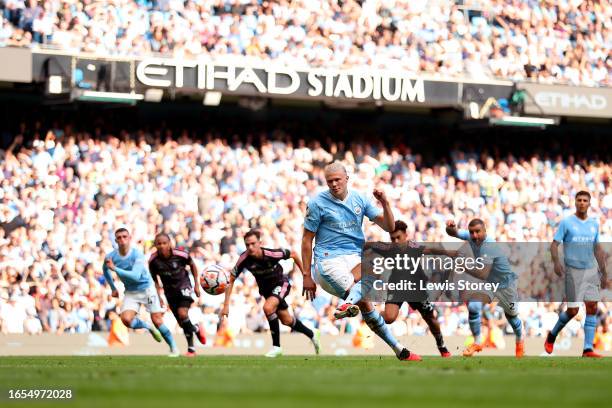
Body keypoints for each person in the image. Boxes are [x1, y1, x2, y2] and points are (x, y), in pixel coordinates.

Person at [301, 161, 421, 361]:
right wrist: (306, 274)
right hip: (328, 261)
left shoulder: (359, 199)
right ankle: (347, 305)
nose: (334, 184)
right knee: (365, 297)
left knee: (369, 292)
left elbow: (389, 227)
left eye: (337, 180)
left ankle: (400, 351)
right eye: (329, 181)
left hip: (355, 259)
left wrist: (385, 203)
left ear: (347, 178)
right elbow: (306, 240)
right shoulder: (317, 203)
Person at [221, 229, 320, 358]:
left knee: (267, 307)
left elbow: (294, 255)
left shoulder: (270, 254)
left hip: (281, 284)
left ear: (259, 243)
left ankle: (276, 347)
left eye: (253, 244)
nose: (250, 247)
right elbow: (231, 278)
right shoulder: (244, 259)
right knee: (287, 320)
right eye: (247, 245)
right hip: (267, 292)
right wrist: (226, 305)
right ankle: (312, 334)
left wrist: (306, 277)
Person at [446, 219, 525, 358]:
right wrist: (450, 227)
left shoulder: (489, 246)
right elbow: (453, 233)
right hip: (488, 283)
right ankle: (477, 342)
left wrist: (462, 265)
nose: (474, 235)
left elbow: (482, 273)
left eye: (478, 232)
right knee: (474, 307)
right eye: (472, 232)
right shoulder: (471, 236)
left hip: (506, 285)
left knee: (512, 318)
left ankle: (520, 340)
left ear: (485, 231)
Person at [545, 191, 608, 358]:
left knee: (592, 307)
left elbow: (597, 248)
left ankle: (587, 349)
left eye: (585, 200)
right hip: (573, 271)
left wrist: (604, 272)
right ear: (575, 203)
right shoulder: (567, 222)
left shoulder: (594, 224)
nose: (581, 203)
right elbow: (554, 245)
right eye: (579, 200)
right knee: (573, 311)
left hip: (591, 271)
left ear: (589, 203)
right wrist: (556, 262)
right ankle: (552, 335)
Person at [380, 220, 451, 357]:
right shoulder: (388, 249)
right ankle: (369, 315)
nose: (395, 241)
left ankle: (441, 345)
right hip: (397, 287)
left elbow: (432, 249)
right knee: (389, 317)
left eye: (398, 237)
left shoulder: (414, 246)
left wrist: (450, 253)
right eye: (392, 238)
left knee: (430, 319)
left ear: (405, 235)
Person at [103, 228, 179, 357]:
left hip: (147, 289)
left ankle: (173, 347)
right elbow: (105, 270)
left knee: (158, 320)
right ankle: (147, 326)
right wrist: (113, 288)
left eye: (124, 237)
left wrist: (115, 269)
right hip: (131, 292)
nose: (122, 240)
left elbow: (136, 276)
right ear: (116, 240)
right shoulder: (111, 256)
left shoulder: (137, 254)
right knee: (126, 320)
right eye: (119, 237)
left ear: (129, 238)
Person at [149, 233, 207, 357]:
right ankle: (196, 328)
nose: (162, 246)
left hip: (183, 286)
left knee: (183, 314)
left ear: (170, 244)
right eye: (159, 243)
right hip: (169, 292)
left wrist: (197, 284)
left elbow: (192, 265)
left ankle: (191, 349)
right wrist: (159, 296)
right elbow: (154, 279)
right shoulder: (153, 260)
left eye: (164, 243)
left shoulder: (181, 255)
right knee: (182, 323)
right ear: (155, 245)